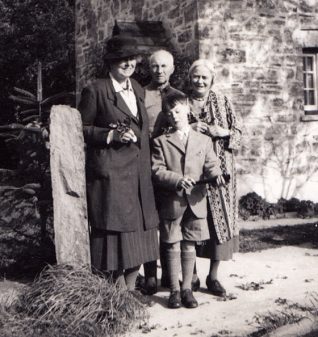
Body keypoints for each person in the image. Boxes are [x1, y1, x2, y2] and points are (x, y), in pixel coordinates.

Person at [78, 35, 159, 293]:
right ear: (111, 63)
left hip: (138, 174)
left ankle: (129, 290)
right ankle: (114, 295)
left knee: (140, 235)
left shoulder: (137, 88)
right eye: (122, 59)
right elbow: (80, 128)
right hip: (113, 175)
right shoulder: (96, 90)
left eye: (132, 59)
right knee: (114, 238)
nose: (128, 63)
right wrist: (109, 136)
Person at [151, 92, 224, 309]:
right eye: (169, 112)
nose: (174, 115)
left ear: (187, 110)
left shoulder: (203, 140)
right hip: (172, 201)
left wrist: (216, 175)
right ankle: (174, 290)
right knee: (172, 243)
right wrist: (177, 180)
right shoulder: (161, 142)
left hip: (195, 200)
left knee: (189, 243)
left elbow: (211, 164)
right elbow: (156, 170)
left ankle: (187, 290)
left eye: (178, 110)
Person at [187, 59, 242, 297]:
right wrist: (190, 129)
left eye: (204, 77)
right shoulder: (182, 101)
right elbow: (170, 131)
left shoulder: (223, 101)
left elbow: (240, 133)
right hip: (193, 173)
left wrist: (225, 132)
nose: (199, 81)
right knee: (192, 222)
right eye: (195, 77)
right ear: (190, 79)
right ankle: (192, 275)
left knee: (218, 223)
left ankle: (213, 276)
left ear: (212, 80)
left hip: (221, 172)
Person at [142, 49, 184, 295]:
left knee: (171, 219)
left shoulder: (180, 96)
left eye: (164, 66)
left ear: (172, 68)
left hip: (172, 166)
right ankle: (150, 275)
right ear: (150, 68)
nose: (159, 70)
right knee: (150, 219)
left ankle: (171, 274)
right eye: (155, 66)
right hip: (146, 165)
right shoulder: (141, 94)